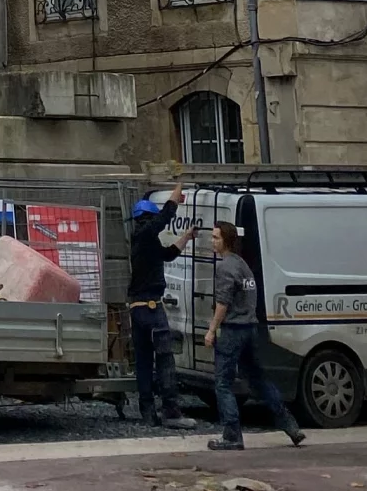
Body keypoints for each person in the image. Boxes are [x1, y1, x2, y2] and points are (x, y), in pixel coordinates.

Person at [203, 218, 305, 451]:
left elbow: (222, 303)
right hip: (250, 328)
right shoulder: (243, 265)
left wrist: (211, 330)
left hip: (232, 330)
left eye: (216, 237)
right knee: (258, 379)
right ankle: (290, 426)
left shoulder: (226, 267)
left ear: (226, 241)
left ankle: (232, 436)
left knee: (223, 384)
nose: (212, 241)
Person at [126, 189, 198, 427]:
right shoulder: (146, 233)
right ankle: (171, 410)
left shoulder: (144, 241)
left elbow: (167, 255)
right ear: (147, 217)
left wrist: (186, 237)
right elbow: (163, 218)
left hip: (138, 310)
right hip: (151, 307)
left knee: (145, 361)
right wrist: (175, 198)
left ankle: (148, 412)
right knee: (165, 358)